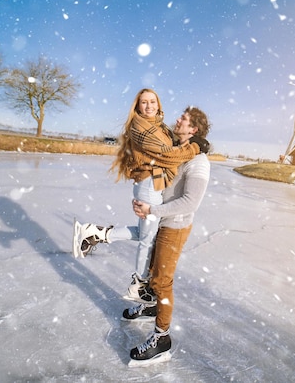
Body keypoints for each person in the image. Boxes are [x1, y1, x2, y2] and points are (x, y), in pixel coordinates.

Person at [75, 106, 212, 367]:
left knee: (162, 280)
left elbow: (189, 202)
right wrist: (144, 194)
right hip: (160, 219)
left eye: (185, 118)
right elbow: (162, 181)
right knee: (150, 270)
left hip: (175, 226)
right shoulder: (176, 151)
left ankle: (162, 340)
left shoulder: (198, 162)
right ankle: (150, 307)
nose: (179, 119)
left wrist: (153, 209)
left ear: (193, 129)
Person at [72, 89, 208, 305]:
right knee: (147, 239)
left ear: (158, 103)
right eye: (144, 103)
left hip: (152, 184)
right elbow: (166, 154)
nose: (149, 106)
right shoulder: (141, 126)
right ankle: (138, 285)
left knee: (147, 233)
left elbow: (172, 145)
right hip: (149, 184)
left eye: (152, 101)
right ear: (137, 106)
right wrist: (194, 147)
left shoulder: (158, 124)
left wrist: (194, 141)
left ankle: (96, 233)